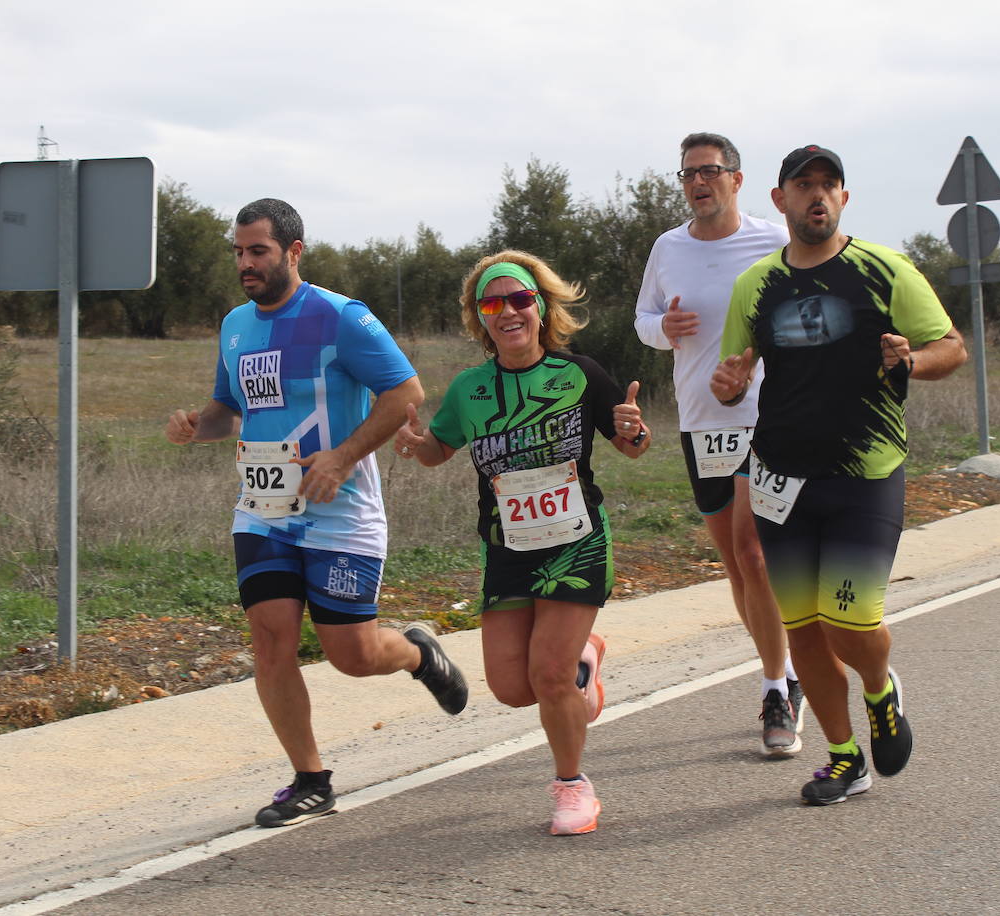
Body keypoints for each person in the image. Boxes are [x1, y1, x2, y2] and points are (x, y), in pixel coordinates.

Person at [164, 198, 468, 828]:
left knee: (350, 655)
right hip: (264, 510)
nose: (246, 264)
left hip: (341, 511)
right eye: (239, 252)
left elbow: (405, 394)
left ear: (293, 252)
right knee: (270, 639)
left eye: (259, 251)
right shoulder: (235, 326)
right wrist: (197, 426)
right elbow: (227, 409)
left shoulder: (339, 317)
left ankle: (415, 652)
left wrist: (344, 456)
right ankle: (310, 779)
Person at [711, 146, 967, 805]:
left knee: (849, 623)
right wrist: (730, 385)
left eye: (829, 186)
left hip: (864, 474)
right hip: (780, 481)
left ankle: (880, 689)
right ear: (780, 200)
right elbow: (734, 377)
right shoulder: (757, 285)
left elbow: (952, 347)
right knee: (804, 632)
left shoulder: (885, 270)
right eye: (805, 186)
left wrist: (913, 362)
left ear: (843, 200)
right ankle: (845, 759)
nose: (817, 196)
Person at [394, 250, 650, 835]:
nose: (508, 312)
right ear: (479, 318)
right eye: (492, 303)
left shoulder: (579, 373)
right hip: (506, 548)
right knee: (514, 688)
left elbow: (630, 444)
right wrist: (416, 445)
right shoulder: (469, 389)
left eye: (519, 299)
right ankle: (585, 659)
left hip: (575, 540)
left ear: (540, 308)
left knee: (550, 676)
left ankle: (572, 787)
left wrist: (635, 429)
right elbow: (440, 449)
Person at [633, 131, 804, 758]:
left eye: (708, 171)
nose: (697, 183)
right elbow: (643, 320)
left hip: (768, 416)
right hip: (702, 423)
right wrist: (663, 328)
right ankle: (787, 669)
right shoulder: (668, 248)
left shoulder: (771, 240)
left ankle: (774, 689)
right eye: (687, 174)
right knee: (735, 564)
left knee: (752, 552)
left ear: (735, 178)